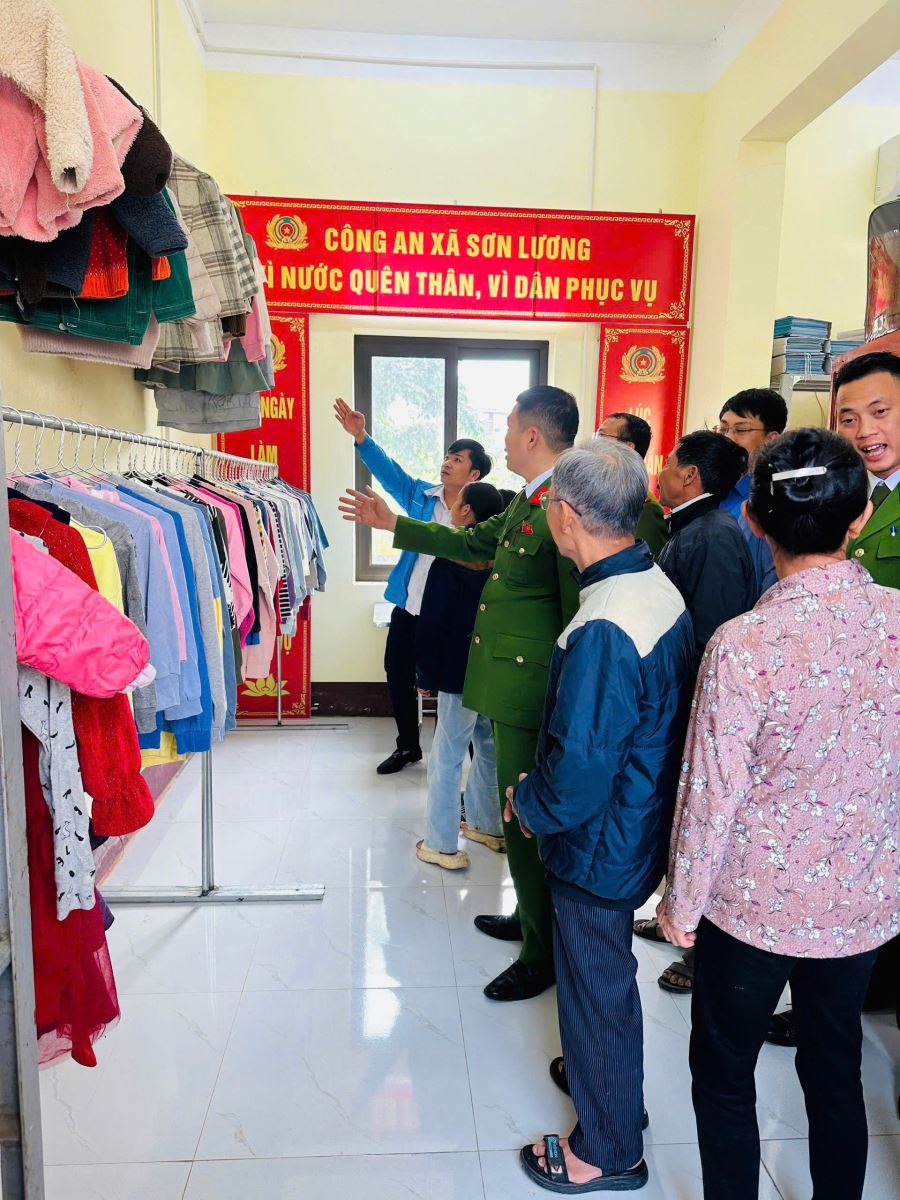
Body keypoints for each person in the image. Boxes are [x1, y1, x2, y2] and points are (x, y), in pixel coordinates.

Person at [658, 428, 900, 1200]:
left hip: (752, 905)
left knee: (725, 1069)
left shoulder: (744, 644)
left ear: (754, 519)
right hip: (861, 899)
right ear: (861, 517)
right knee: (836, 1064)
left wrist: (680, 906)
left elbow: (710, 795)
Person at [340, 385, 581, 1002]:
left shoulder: (564, 503)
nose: (504, 437)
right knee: (514, 807)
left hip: (530, 684)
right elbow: (472, 544)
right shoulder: (527, 500)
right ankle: (529, 921)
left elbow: (572, 610)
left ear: (533, 435)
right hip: (501, 677)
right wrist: (393, 523)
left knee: (526, 812)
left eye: (510, 425)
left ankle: (541, 953)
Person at [506, 441, 693, 1193]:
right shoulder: (650, 581)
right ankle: (608, 1089)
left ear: (565, 516)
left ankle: (609, 1150)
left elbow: (580, 773)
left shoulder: (607, 624)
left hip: (600, 841)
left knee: (595, 989)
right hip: (637, 819)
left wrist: (528, 803)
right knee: (603, 980)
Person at [768, 350, 900, 1050]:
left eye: (881, 411)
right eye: (849, 417)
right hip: (835, 728)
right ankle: (842, 1000)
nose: (866, 429)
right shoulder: (851, 497)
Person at [642, 430, 758, 993]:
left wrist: (685, 713)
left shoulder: (712, 535)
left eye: (668, 464)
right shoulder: (693, 526)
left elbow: (712, 638)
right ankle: (676, 916)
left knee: (702, 826)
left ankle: (700, 952)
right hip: (680, 702)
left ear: (690, 476)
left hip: (697, 708)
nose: (660, 474)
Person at [334, 397, 491, 775]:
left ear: (474, 474)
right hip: (411, 605)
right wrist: (361, 437)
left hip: (454, 616)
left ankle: (471, 762)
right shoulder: (423, 496)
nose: (447, 462)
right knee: (397, 671)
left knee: (456, 685)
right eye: (447, 456)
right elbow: (391, 474)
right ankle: (408, 746)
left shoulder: (485, 510)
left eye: (457, 459)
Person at [414, 481, 509, 870]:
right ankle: (489, 827)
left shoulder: (449, 559)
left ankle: (440, 843)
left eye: (456, 503)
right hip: (492, 670)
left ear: (467, 511)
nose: (452, 507)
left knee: (448, 755)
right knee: (487, 746)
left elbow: (433, 624)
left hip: (456, 672)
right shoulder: (503, 558)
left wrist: (425, 674)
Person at [716, 387, 788, 593]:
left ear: (771, 439)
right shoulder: (715, 491)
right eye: (723, 430)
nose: (728, 439)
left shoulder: (779, 502)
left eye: (740, 430)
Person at [595, 412, 668, 557]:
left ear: (627, 448)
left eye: (602, 436)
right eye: (597, 436)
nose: (595, 444)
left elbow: (646, 565)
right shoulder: (597, 494)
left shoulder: (646, 509)